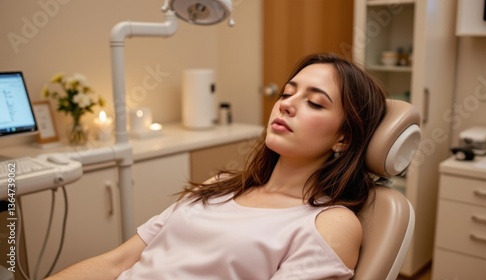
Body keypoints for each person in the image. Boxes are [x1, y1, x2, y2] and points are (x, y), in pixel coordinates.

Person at [46, 52, 387, 280]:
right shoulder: (220, 185)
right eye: (286, 93)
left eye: (314, 102)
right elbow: (116, 261)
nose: (286, 106)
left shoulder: (328, 223)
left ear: (343, 138)